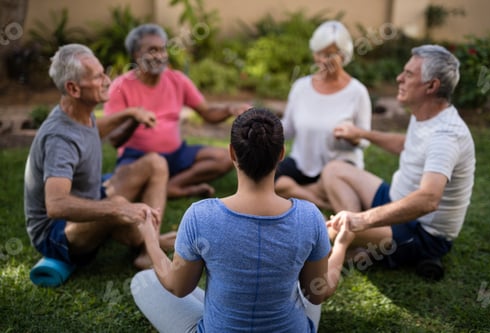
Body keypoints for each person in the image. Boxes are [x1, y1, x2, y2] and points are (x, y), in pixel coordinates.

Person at [130, 108, 355, 332]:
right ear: (281, 154)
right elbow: (317, 294)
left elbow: (178, 286)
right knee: (304, 285)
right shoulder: (310, 216)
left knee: (142, 280)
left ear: (232, 153)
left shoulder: (200, 216)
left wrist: (150, 237)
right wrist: (341, 245)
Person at [323, 44, 475, 271]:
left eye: (409, 74)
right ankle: (358, 243)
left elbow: (428, 199)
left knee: (335, 229)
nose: (399, 78)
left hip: (421, 231)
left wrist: (361, 220)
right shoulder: (426, 113)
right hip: (395, 199)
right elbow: (406, 144)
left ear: (432, 86)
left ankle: (359, 243)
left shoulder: (447, 135)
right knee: (334, 170)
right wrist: (361, 133)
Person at [24, 43, 175, 270]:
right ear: (74, 89)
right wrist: (118, 209)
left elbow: (91, 132)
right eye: (98, 77)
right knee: (123, 212)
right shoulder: (60, 139)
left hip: (91, 197)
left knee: (155, 163)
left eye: (104, 72)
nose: (107, 80)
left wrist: (130, 113)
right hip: (56, 234)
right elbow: (55, 205)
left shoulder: (78, 112)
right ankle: (145, 241)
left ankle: (147, 250)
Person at [104, 23, 249, 199]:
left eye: (163, 50)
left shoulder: (177, 79)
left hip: (176, 154)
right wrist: (134, 118)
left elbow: (207, 112)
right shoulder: (120, 86)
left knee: (225, 158)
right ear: (136, 54)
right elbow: (114, 139)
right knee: (121, 185)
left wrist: (229, 109)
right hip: (137, 157)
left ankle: (171, 186)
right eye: (152, 50)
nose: (160, 56)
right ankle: (163, 186)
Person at [275, 20, 372, 210]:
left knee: (289, 187)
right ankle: (321, 200)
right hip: (302, 163)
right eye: (319, 53)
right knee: (269, 180)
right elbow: (288, 128)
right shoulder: (301, 87)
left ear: (344, 55)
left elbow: (365, 139)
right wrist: (264, 123)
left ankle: (301, 193)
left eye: (330, 54)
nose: (323, 60)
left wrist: (353, 137)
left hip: (338, 166)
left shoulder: (357, 92)